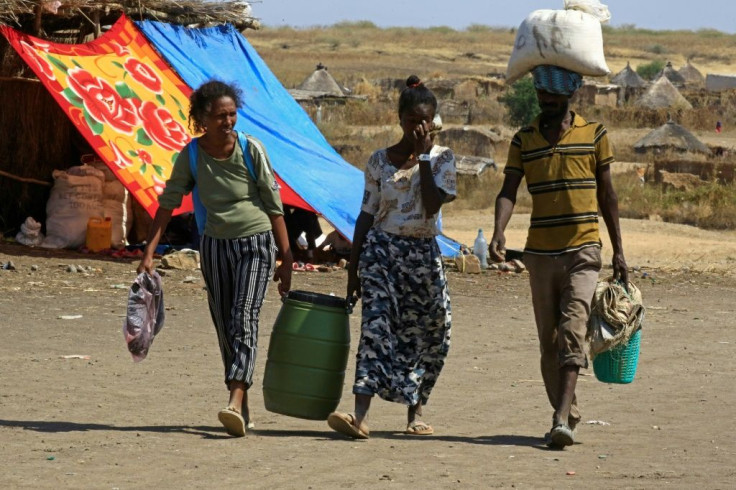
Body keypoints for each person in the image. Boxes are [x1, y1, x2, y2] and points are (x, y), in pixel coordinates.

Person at [137, 80, 292, 437]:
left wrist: (286, 258)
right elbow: (168, 203)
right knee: (225, 325)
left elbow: (274, 204)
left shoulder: (251, 150)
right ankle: (242, 400)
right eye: (220, 115)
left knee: (244, 316)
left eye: (232, 114)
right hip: (215, 247)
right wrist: (148, 253)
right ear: (202, 119)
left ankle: (235, 398)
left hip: (255, 243)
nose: (228, 122)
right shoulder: (191, 156)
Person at [489, 65, 628, 449]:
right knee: (548, 344)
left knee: (572, 331)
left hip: (584, 250)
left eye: (554, 97)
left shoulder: (595, 134)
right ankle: (569, 409)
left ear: (570, 95)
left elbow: (608, 196)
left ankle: (560, 417)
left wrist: (619, 251)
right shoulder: (524, 140)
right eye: (541, 97)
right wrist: (499, 230)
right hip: (540, 255)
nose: (547, 103)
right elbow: (508, 189)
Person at [327, 75, 456, 439]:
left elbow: (431, 206)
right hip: (382, 253)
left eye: (427, 120)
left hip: (423, 256)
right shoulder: (378, 162)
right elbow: (366, 214)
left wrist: (426, 158)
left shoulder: (443, 160)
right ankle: (359, 415)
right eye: (414, 120)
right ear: (400, 120)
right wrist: (353, 270)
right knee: (377, 327)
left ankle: (415, 414)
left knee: (433, 330)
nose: (421, 127)